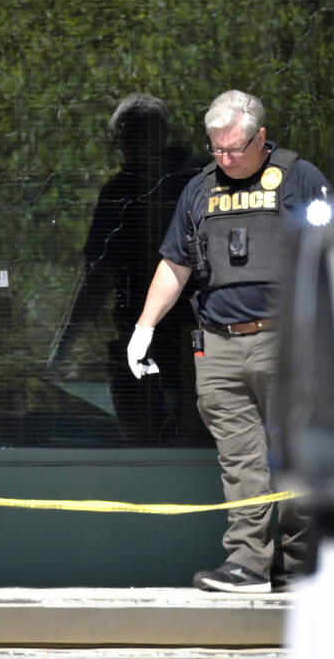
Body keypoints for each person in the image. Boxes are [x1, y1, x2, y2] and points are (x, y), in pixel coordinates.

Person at [126, 90, 331, 593]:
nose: (224, 158)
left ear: (260, 137)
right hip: (218, 347)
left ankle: (302, 566)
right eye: (216, 149)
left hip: (287, 344)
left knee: (296, 456)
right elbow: (175, 264)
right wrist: (144, 328)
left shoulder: (301, 179)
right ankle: (248, 565)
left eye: (234, 149)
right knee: (241, 463)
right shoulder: (199, 189)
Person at [48, 94, 200, 445]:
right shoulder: (196, 185)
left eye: (123, 138)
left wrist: (65, 344)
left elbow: (98, 277)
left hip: (156, 338)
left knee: (148, 438)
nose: (120, 148)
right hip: (186, 334)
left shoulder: (129, 191)